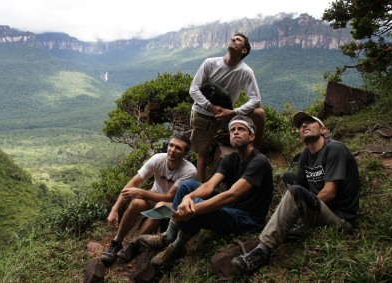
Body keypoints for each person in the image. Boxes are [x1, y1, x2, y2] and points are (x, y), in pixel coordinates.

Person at [232, 111, 360, 273]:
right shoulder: (306, 155)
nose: (304, 125)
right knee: (288, 177)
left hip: (340, 219)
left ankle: (262, 251)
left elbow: (329, 193)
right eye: (300, 125)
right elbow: (298, 183)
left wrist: (299, 209)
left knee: (296, 192)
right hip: (320, 210)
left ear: (323, 130)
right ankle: (290, 222)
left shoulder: (335, 149)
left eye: (309, 122)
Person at [139, 115, 274, 266]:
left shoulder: (259, 162)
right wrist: (187, 197)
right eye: (232, 129)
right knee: (187, 185)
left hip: (248, 218)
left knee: (195, 207)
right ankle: (168, 236)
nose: (235, 132)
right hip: (230, 209)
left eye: (241, 129)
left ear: (251, 136)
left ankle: (176, 248)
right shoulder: (231, 159)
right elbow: (209, 185)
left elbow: (231, 195)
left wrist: (194, 208)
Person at [100, 134, 197, 266]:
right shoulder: (158, 159)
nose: (172, 150)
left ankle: (135, 244)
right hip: (154, 195)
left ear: (185, 153)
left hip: (174, 203)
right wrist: (115, 209)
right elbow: (133, 182)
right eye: (171, 145)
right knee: (136, 203)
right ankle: (117, 241)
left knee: (161, 206)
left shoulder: (189, 170)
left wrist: (140, 191)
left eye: (178, 148)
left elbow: (169, 196)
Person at [189, 32, 266, 182]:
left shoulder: (245, 71)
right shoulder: (210, 63)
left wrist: (232, 112)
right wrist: (210, 107)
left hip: (227, 115)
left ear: (244, 50)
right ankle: (200, 189)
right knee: (202, 154)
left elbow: (256, 99)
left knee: (259, 113)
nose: (232, 40)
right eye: (232, 38)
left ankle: (254, 154)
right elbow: (193, 89)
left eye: (237, 40)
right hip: (203, 113)